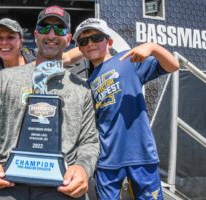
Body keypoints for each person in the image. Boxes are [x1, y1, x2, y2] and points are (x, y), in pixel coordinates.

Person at [0, 6, 99, 200]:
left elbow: (89, 141)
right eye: (45, 27)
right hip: (6, 181)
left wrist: (83, 168)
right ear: (36, 34)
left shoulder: (82, 89)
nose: (51, 34)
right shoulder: (5, 77)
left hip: (62, 185)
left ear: (68, 37)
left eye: (59, 29)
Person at [73, 18, 179, 200]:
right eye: (83, 41)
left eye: (96, 37)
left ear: (109, 41)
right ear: (81, 49)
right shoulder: (87, 84)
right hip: (107, 158)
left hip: (141, 153)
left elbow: (173, 66)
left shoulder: (128, 60)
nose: (90, 44)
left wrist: (153, 47)